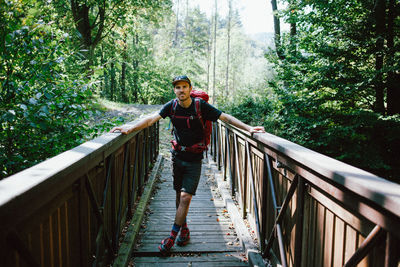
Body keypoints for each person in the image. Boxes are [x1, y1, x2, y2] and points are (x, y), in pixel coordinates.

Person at [110, 75, 265, 253]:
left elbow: (225, 118)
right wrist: (130, 128)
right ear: (174, 90)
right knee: (178, 195)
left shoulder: (201, 106)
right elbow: (150, 119)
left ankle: (172, 237)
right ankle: (184, 229)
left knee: (185, 197)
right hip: (177, 157)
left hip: (194, 159)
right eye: (178, 87)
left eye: (184, 87)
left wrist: (249, 128)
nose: (181, 90)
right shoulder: (172, 106)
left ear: (190, 89)